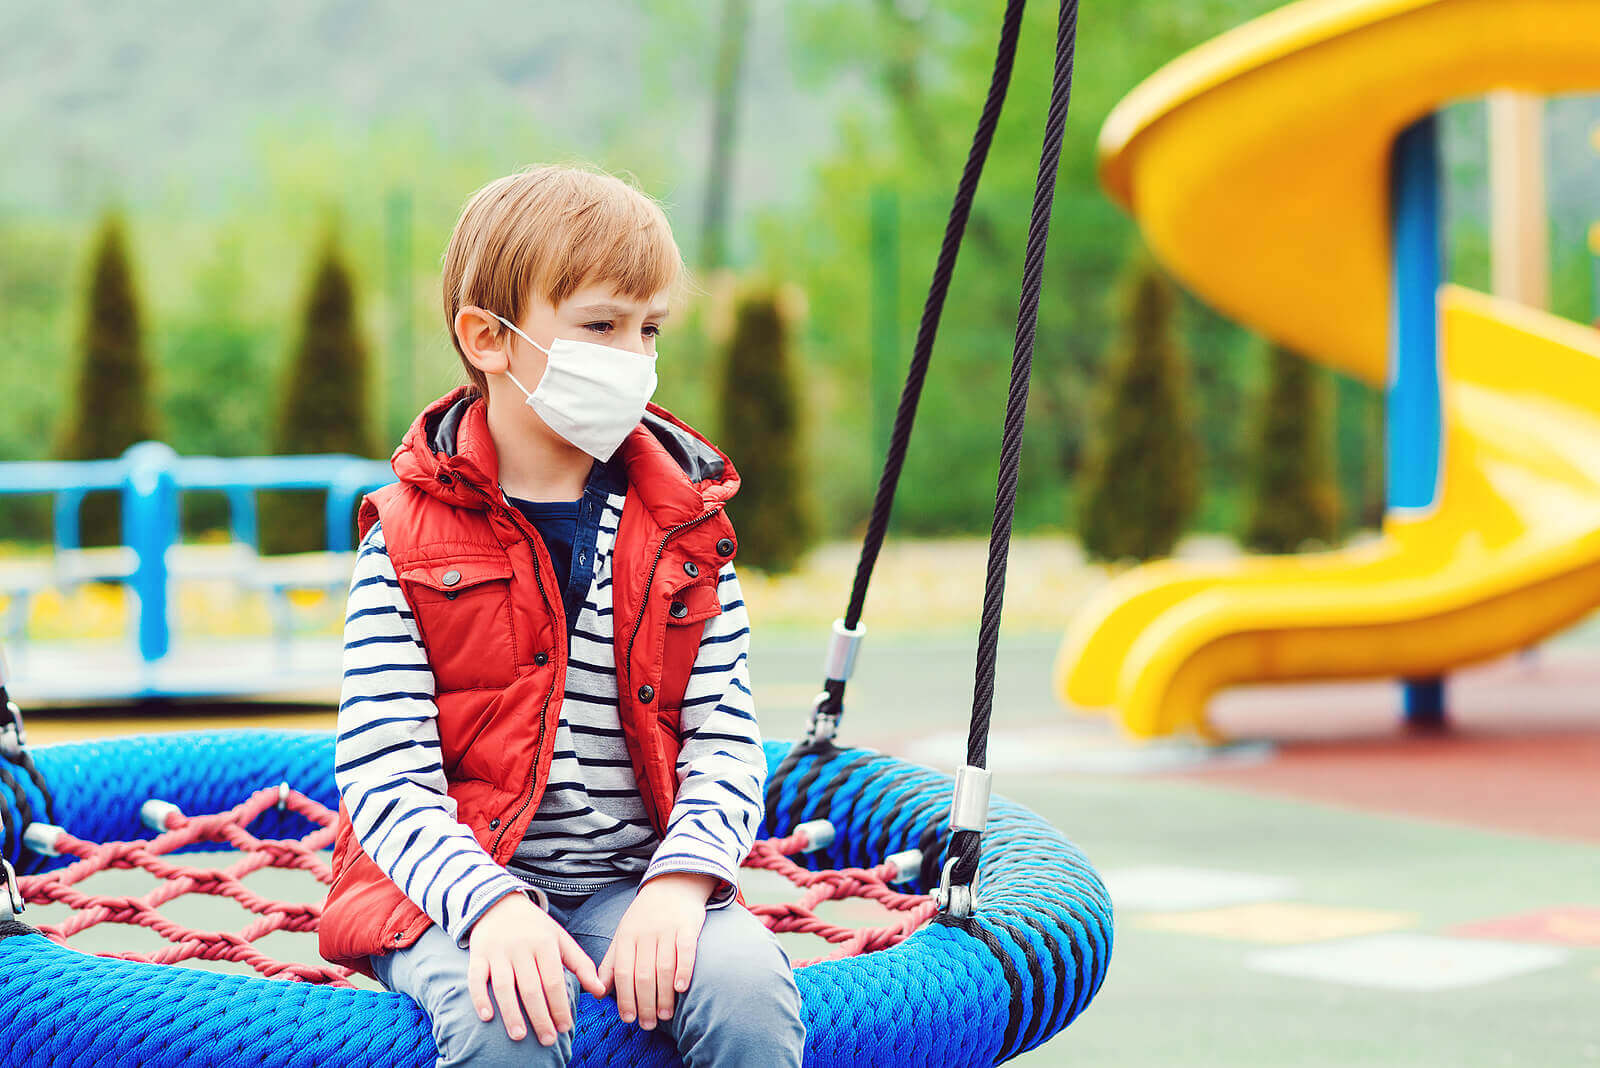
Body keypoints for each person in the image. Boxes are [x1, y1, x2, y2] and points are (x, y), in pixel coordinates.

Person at [318, 164, 806, 1067]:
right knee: (509, 1024)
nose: (633, 358)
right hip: (448, 889)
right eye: (599, 327)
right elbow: (386, 780)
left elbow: (725, 743)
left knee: (749, 993)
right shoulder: (405, 541)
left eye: (648, 328)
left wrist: (681, 883)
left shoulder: (686, 529)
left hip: (634, 878)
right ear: (488, 338)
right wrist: (493, 905)